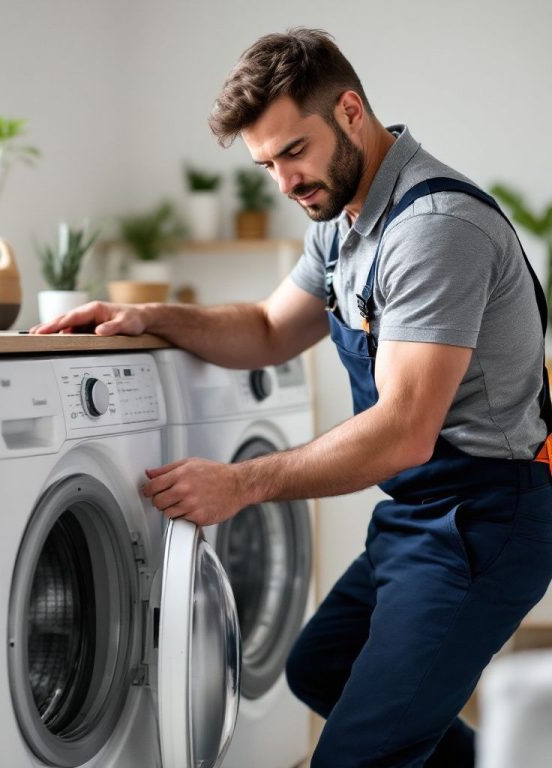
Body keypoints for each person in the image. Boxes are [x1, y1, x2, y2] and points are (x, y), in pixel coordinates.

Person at [30, 27, 552, 767]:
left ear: (349, 112)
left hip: (483, 521)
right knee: (321, 667)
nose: (284, 182)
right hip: (420, 512)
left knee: (354, 756)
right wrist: (149, 317)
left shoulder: (433, 228)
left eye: (293, 152)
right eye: (266, 164)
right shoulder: (344, 224)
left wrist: (239, 484)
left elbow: (403, 430)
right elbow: (271, 327)